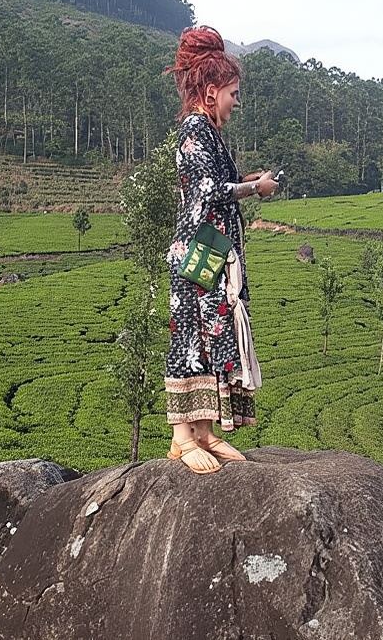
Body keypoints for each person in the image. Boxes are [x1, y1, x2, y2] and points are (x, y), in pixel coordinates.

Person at [163, 26, 279, 474]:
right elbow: (209, 189)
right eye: (232, 93)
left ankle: (206, 432)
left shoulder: (208, 132)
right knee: (191, 333)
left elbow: (216, 183)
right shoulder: (195, 129)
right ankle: (180, 437)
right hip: (199, 248)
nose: (235, 102)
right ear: (211, 92)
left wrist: (250, 180)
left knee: (216, 330)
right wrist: (255, 187)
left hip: (214, 247)